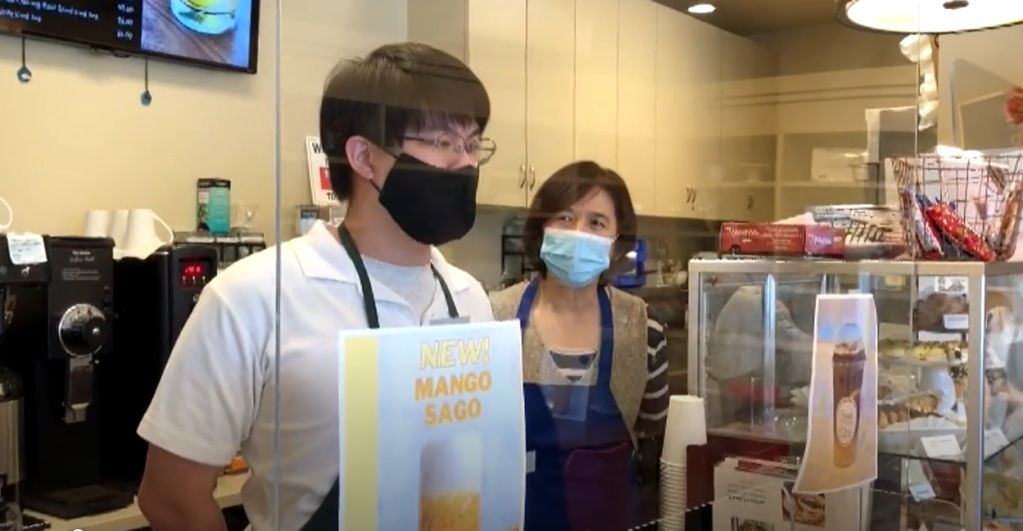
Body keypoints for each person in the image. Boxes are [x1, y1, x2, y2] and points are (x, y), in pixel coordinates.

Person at [136, 42, 495, 531]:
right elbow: (170, 498)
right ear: (364, 156)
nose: (464, 163)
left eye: (472, 145)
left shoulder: (470, 297)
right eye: (443, 142)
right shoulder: (254, 296)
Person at [489, 161, 669, 531]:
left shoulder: (643, 328)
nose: (578, 233)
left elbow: (654, 438)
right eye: (565, 218)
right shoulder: (492, 318)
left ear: (617, 243)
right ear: (541, 229)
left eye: (596, 223)